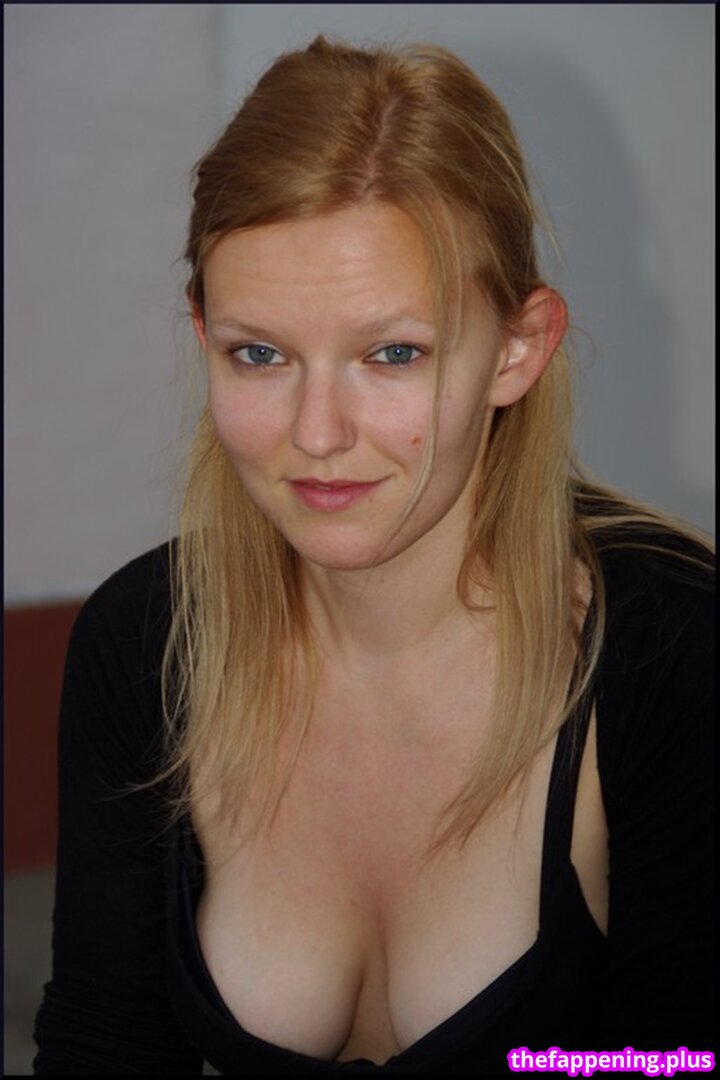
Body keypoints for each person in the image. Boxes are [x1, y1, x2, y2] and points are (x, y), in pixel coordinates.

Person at [33, 36, 714, 1076]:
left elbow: (682, 1061)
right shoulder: (146, 642)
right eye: (259, 354)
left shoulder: (669, 649)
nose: (316, 433)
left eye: (393, 353)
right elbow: (103, 1046)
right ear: (203, 335)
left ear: (518, 348)